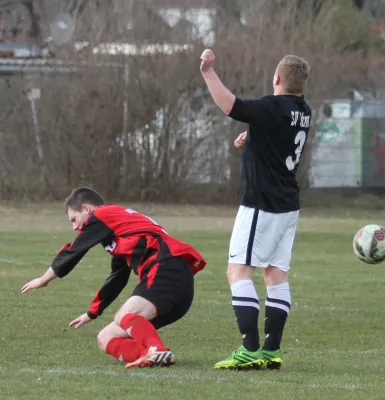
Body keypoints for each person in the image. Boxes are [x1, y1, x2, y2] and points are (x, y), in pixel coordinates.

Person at [200, 49, 312, 370]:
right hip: (288, 206)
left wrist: (208, 71)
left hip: (262, 203)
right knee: (275, 274)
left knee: (238, 271)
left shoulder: (271, 106)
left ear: (276, 79)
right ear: (301, 86)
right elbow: (279, 134)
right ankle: (271, 350)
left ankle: (249, 349)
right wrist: (251, 137)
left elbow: (230, 105)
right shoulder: (303, 110)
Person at [21, 187, 206, 369]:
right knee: (105, 338)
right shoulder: (119, 228)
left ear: (86, 209)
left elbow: (74, 250)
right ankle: (153, 355)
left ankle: (156, 350)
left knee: (125, 315)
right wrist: (92, 313)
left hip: (166, 269)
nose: (75, 227)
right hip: (175, 280)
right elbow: (118, 277)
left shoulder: (102, 214)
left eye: (74, 219)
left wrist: (44, 279)